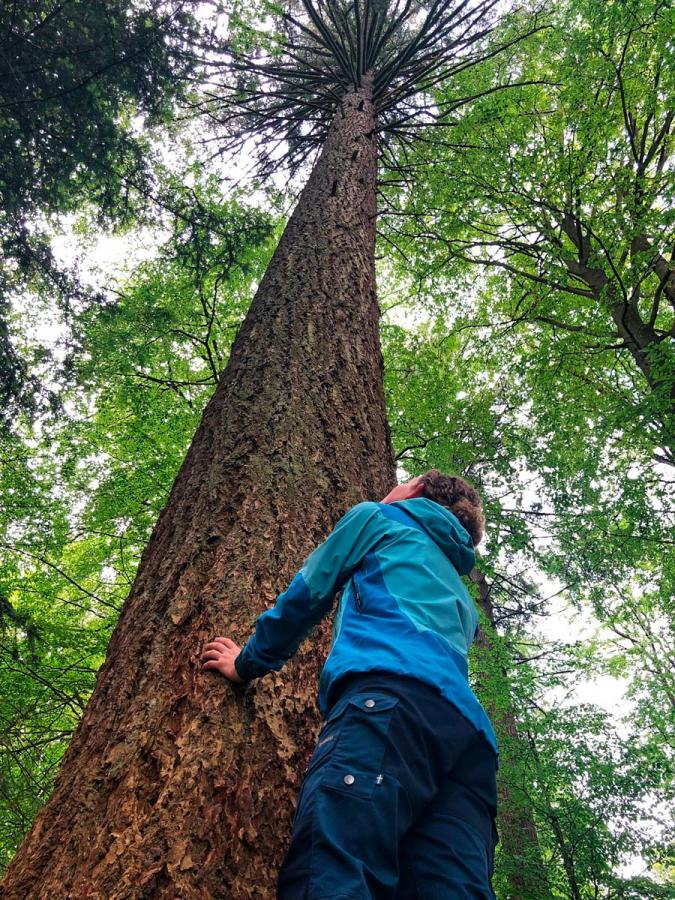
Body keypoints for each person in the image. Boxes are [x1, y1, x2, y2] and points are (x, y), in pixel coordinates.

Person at [201, 471, 499, 899]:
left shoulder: (379, 519)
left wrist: (246, 663)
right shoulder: (461, 595)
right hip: (470, 746)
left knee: (336, 868)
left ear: (415, 490)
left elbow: (309, 590)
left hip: (392, 706)